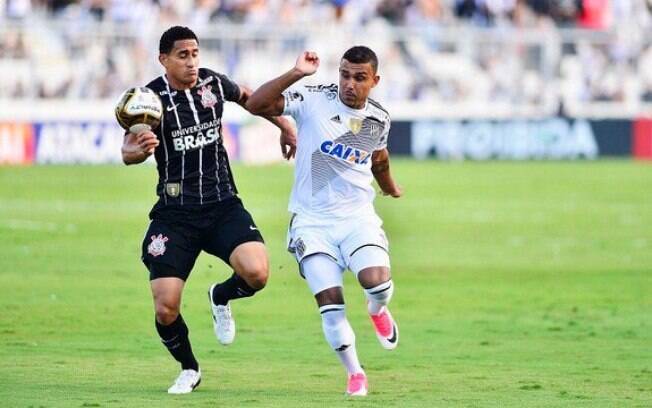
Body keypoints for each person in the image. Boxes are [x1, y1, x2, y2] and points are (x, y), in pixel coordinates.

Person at [121, 26, 296, 394]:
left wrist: (284, 126)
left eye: (195, 54)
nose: (191, 62)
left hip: (221, 205)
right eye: (182, 55)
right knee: (165, 307)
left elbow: (253, 100)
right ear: (163, 59)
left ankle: (220, 296)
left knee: (258, 273)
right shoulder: (149, 99)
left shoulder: (213, 85)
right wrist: (140, 150)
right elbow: (127, 152)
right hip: (175, 214)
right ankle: (189, 368)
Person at [246, 46, 402, 397]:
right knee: (331, 305)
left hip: (356, 218)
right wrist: (296, 72)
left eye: (359, 78)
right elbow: (256, 104)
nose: (349, 83)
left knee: (377, 284)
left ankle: (377, 310)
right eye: (344, 74)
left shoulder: (379, 118)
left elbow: (379, 158)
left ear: (374, 81)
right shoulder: (313, 99)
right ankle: (356, 373)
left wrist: (390, 188)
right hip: (312, 223)